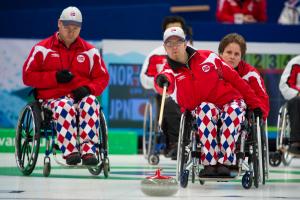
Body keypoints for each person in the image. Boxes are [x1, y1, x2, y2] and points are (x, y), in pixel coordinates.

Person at [154, 27, 265, 176]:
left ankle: (226, 162)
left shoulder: (208, 57)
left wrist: (255, 104)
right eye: (169, 44)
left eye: (178, 42)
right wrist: (161, 81)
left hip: (229, 100)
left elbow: (236, 80)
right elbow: (164, 80)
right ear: (164, 48)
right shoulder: (169, 70)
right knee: (205, 109)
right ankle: (210, 164)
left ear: (185, 43)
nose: (174, 47)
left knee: (234, 110)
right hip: (201, 108)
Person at [22, 6, 109, 166]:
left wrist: (88, 89)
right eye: (67, 27)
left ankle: (89, 151)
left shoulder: (90, 52)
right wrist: (54, 77)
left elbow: (102, 78)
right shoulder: (42, 49)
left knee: (91, 101)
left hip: (79, 98)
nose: (71, 31)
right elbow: (27, 76)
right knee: (64, 105)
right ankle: (70, 151)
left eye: (75, 28)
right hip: (52, 100)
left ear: (80, 28)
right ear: (59, 24)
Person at [140, 16, 193, 159]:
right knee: (169, 102)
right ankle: (176, 144)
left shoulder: (194, 53)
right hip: (165, 92)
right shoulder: (156, 54)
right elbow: (144, 78)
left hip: (190, 94)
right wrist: (159, 81)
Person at [218, 33, 269, 120]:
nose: (232, 57)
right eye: (229, 52)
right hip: (215, 114)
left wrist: (257, 119)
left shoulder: (251, 75)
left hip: (240, 118)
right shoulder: (211, 69)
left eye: (236, 54)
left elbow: (263, 103)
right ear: (221, 53)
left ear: (241, 57)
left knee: (233, 110)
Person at [279, 55, 300, 154]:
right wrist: (298, 93)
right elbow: (285, 85)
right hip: (298, 98)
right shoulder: (296, 63)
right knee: (296, 101)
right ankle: (296, 143)